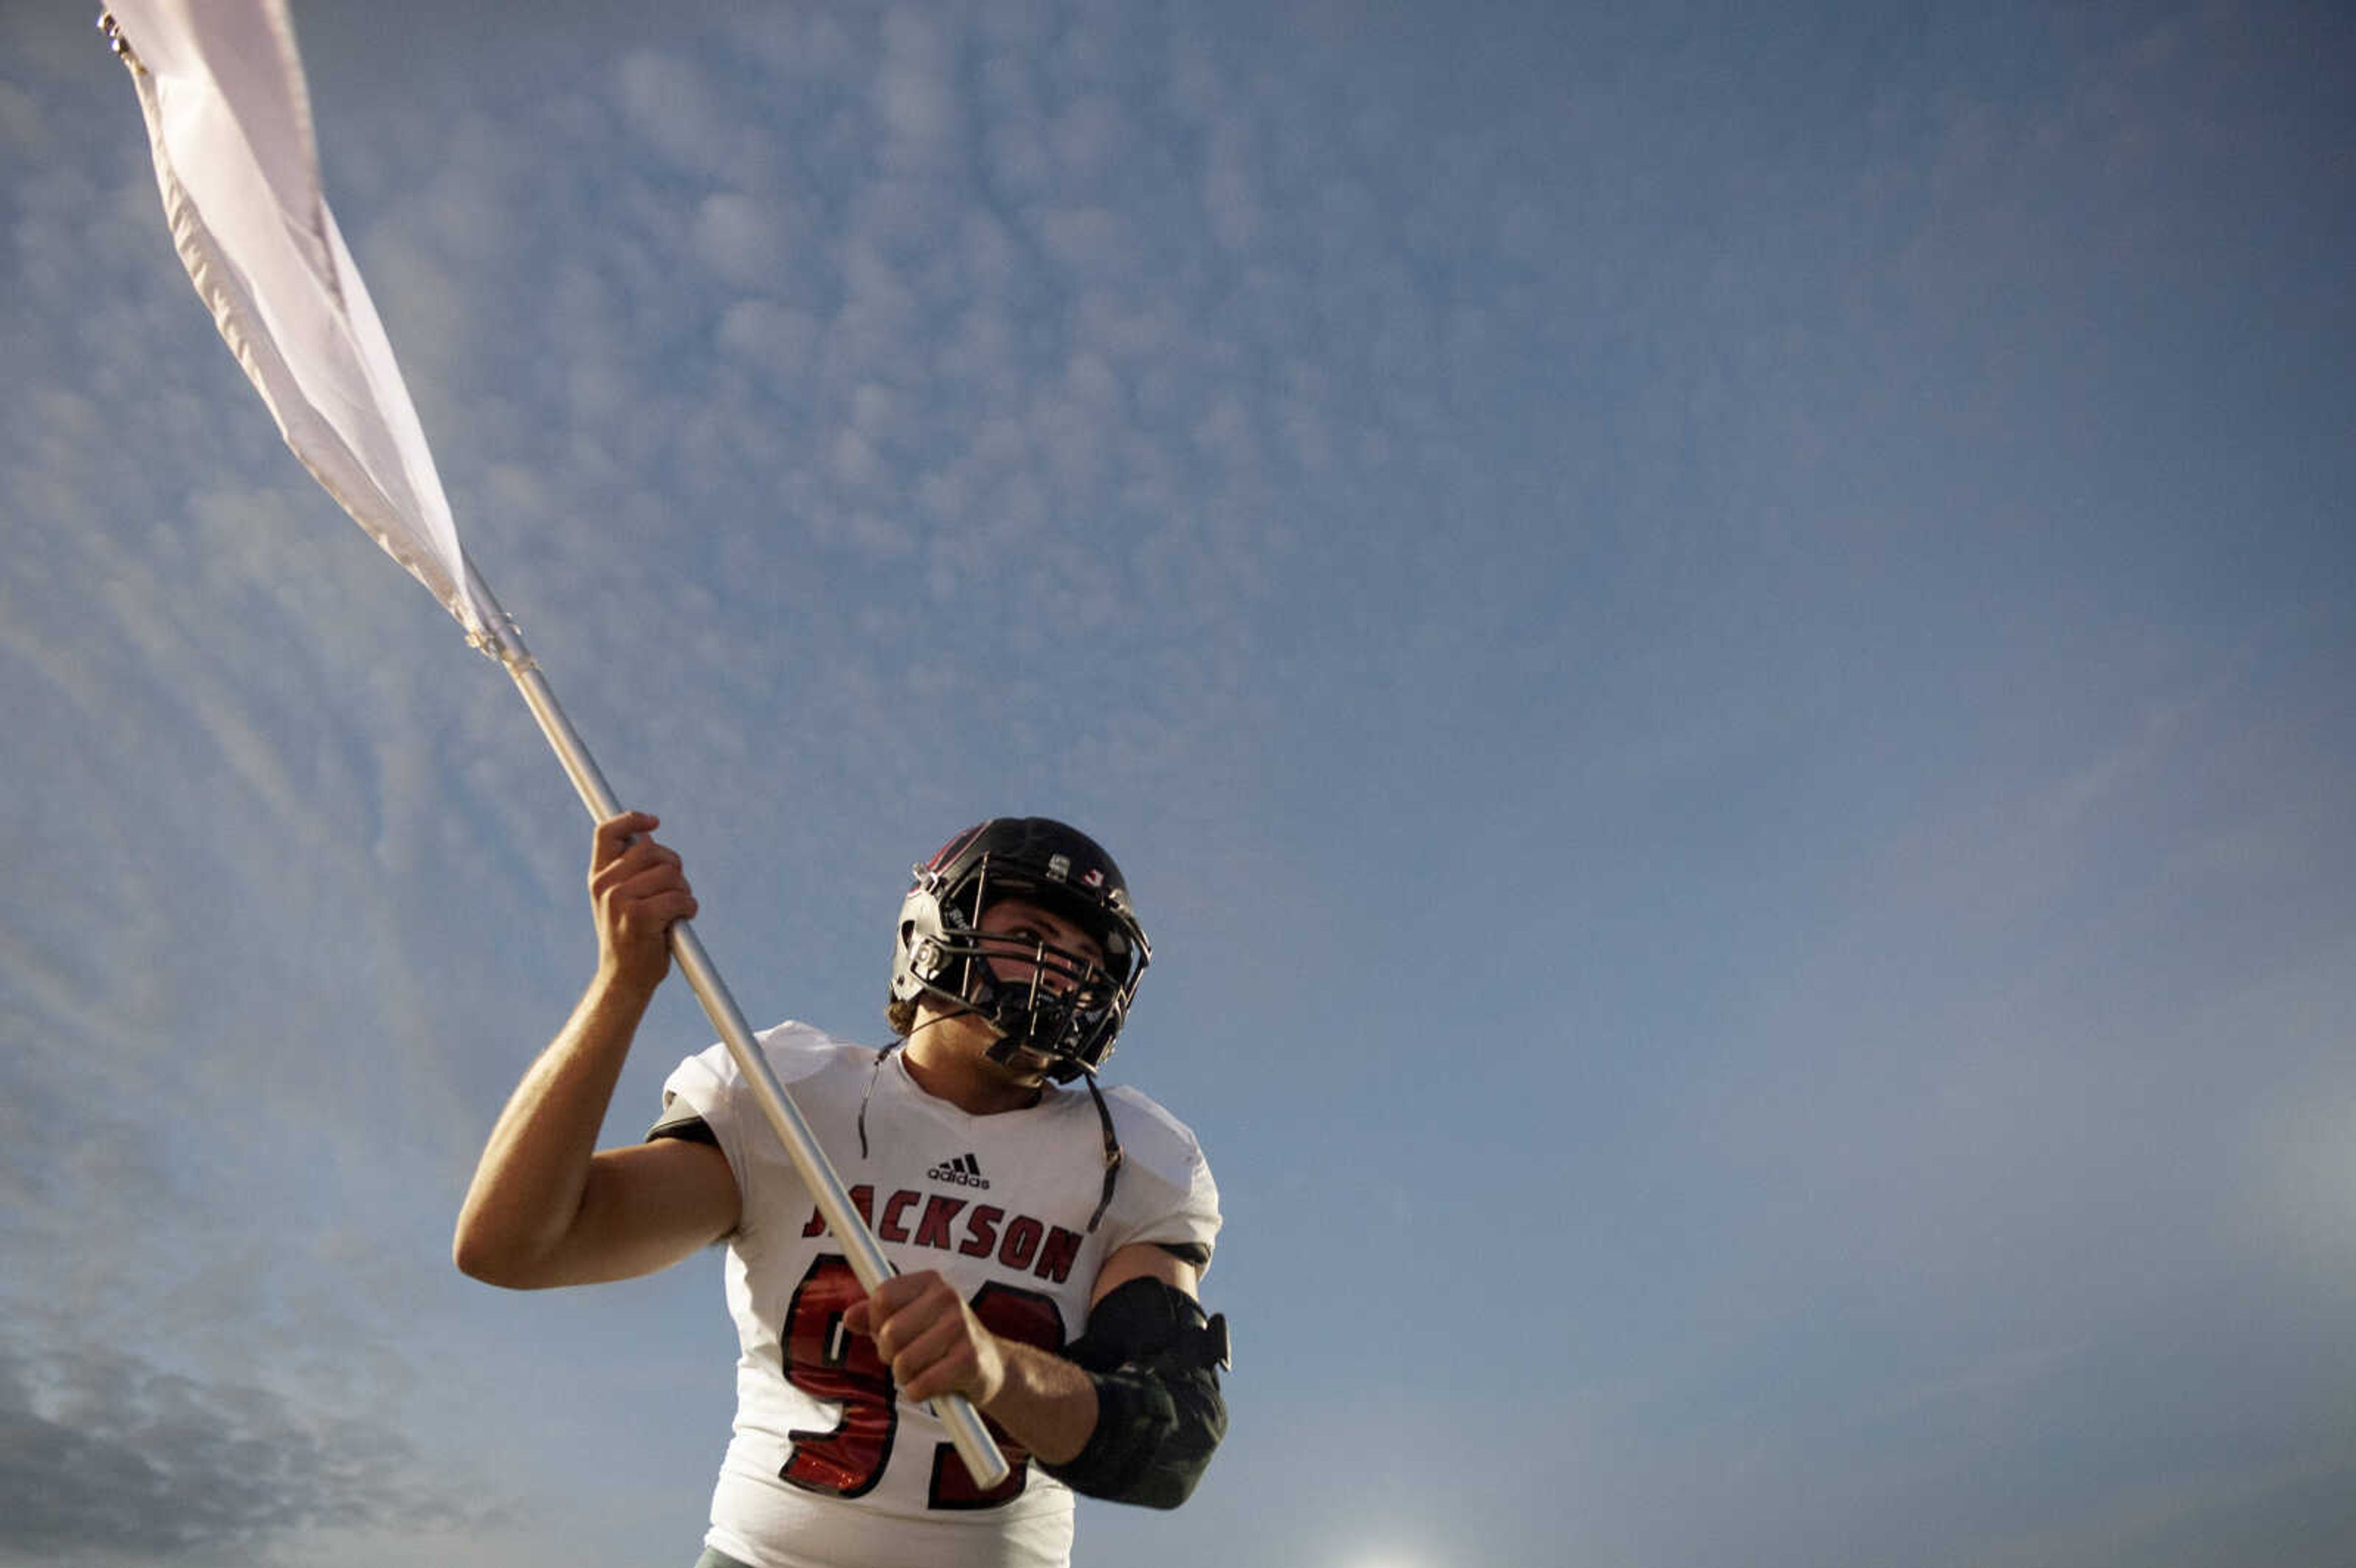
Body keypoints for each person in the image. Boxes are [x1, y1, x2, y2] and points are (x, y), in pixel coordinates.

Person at [453, 811, 1228, 1568]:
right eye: (1031, 939)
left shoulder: (1127, 1154)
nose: (1062, 974)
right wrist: (621, 986)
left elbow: (1172, 1445)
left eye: (1084, 960)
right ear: (934, 932)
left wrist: (996, 1370)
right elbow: (514, 1246)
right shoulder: (793, 1096)